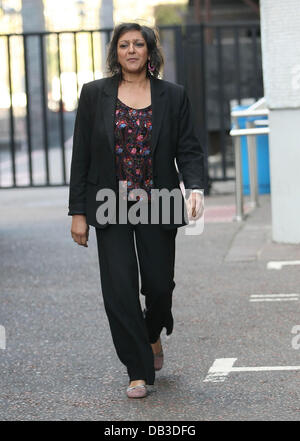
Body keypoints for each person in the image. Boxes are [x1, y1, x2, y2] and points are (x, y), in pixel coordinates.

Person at [68, 22, 205, 399]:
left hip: (157, 203)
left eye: (138, 44)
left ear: (149, 52)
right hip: (109, 204)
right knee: (119, 288)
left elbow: (189, 148)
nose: (131, 50)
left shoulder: (172, 96)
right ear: (116, 52)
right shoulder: (95, 95)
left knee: (159, 286)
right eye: (124, 45)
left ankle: (152, 334)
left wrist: (194, 187)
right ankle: (137, 369)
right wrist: (78, 211)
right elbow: (81, 155)